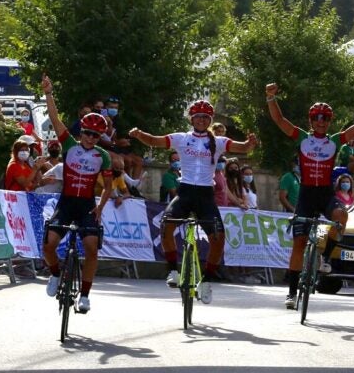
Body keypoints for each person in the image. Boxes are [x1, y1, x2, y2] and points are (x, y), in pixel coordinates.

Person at [130, 99, 257, 305]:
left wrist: (250, 144)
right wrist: (139, 134)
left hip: (206, 195)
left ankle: (206, 281)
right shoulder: (182, 138)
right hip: (186, 192)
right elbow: (155, 140)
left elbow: (241, 148)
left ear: (209, 120)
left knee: (219, 238)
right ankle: (172, 270)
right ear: (191, 119)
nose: (201, 120)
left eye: (206, 117)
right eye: (198, 117)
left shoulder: (219, 141)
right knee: (166, 226)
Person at [265, 81, 354, 309]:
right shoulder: (303, 137)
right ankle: (292, 293)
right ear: (311, 121)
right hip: (306, 194)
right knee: (299, 243)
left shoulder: (335, 140)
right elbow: (279, 121)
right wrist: (270, 98)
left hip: (325, 193)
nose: (321, 122)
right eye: (317, 118)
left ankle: (326, 257)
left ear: (330, 122)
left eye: (325, 118)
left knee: (342, 216)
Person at [41, 74, 113, 314]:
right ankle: (54, 274)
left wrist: (100, 208)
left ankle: (85, 295)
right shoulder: (69, 145)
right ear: (81, 132)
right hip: (67, 202)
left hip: (86, 206)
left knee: (92, 248)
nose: (90, 138)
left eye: (95, 135)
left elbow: (109, 186)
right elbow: (54, 118)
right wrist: (49, 93)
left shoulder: (103, 156)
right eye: (87, 133)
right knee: (49, 245)